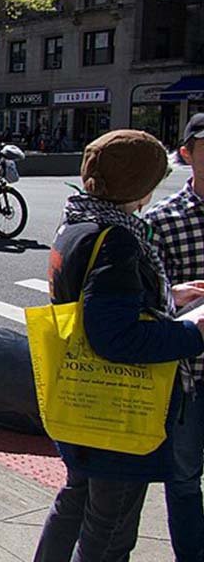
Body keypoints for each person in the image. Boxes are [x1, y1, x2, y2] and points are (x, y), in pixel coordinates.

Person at [34, 129, 204, 561]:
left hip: (80, 404)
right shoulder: (118, 240)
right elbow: (117, 337)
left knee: (74, 502)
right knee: (108, 535)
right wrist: (195, 331)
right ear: (143, 186)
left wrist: (167, 296)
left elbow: (95, 302)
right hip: (118, 413)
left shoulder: (77, 223)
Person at [145, 113, 204, 562]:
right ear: (186, 154)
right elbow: (146, 303)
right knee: (183, 479)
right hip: (188, 378)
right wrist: (175, 298)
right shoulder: (163, 222)